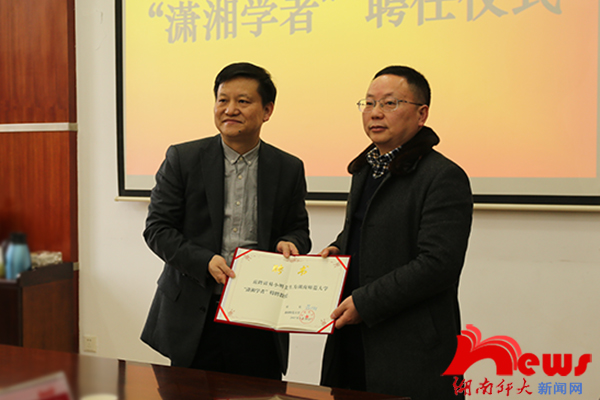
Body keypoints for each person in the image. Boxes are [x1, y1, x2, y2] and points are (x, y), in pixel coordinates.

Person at [141, 62, 311, 380]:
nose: (230, 109)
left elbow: (298, 229)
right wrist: (204, 261)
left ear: (267, 110)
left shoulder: (288, 167)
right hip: (195, 311)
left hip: (258, 314)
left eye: (243, 101)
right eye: (223, 100)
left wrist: (291, 242)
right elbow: (157, 229)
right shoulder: (183, 159)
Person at [319, 66, 473, 399]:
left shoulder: (442, 176)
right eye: (369, 103)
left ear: (422, 114)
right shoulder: (367, 168)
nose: (375, 113)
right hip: (352, 342)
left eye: (390, 103)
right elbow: (370, 230)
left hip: (410, 351)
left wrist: (365, 302)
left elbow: (438, 264)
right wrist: (338, 248)